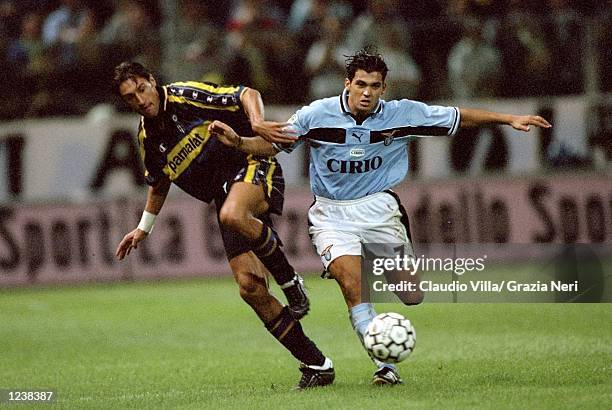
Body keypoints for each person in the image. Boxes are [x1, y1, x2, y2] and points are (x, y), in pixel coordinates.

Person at [207, 49, 552, 386]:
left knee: (410, 293)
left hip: (378, 209)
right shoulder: (317, 115)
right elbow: (271, 145)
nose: (366, 92)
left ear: (384, 89)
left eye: (374, 86)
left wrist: (508, 119)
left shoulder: (401, 114)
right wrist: (238, 141)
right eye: (360, 84)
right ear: (347, 84)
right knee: (353, 286)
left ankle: (386, 284)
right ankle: (385, 366)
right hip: (331, 215)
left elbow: (458, 116)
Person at [112, 62, 334, 389]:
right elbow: (159, 182)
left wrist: (256, 123)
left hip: (252, 164)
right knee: (250, 287)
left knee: (232, 215)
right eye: (131, 98)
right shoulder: (148, 137)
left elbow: (247, 94)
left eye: (141, 89)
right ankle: (316, 363)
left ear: (151, 81)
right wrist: (144, 227)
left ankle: (290, 282)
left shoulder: (186, 96)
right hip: (225, 195)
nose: (140, 100)